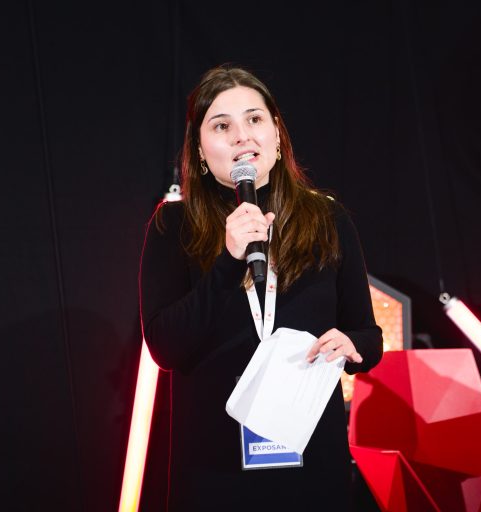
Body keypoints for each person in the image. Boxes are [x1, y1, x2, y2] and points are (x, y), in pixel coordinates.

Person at [139, 64, 383, 510]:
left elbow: (369, 337)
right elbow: (165, 348)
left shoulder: (328, 219)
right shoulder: (172, 225)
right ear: (199, 146)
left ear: (277, 133)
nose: (241, 136)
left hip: (311, 456)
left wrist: (351, 344)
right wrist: (227, 263)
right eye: (221, 125)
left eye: (254, 119)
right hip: (213, 468)